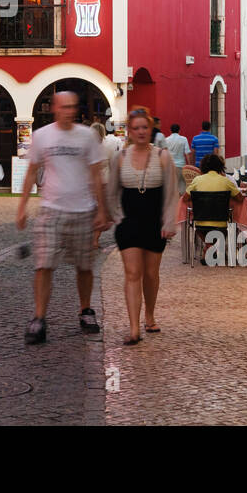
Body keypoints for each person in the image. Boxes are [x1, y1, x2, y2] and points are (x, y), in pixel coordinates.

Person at [17, 91, 109, 344]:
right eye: (64, 107)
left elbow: (96, 175)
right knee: (43, 265)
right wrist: (22, 206)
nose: (69, 111)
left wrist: (102, 209)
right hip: (51, 209)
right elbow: (31, 172)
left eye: (73, 107)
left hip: (83, 209)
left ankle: (85, 309)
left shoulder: (87, 136)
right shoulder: (42, 135)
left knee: (84, 266)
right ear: (54, 108)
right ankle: (38, 318)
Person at [107, 108, 181, 344]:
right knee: (132, 273)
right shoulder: (119, 158)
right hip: (129, 223)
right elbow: (111, 193)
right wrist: (118, 218)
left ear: (151, 130)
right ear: (129, 130)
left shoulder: (162, 156)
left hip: (154, 223)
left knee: (150, 273)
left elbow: (171, 193)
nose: (140, 132)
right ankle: (133, 328)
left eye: (144, 127)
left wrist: (169, 222)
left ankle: (149, 315)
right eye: (136, 128)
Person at [184, 153, 243, 264]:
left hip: (200, 223)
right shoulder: (226, 181)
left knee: (197, 227)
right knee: (225, 228)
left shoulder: (197, 180)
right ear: (220, 166)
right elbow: (240, 199)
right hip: (222, 224)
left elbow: (185, 198)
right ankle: (211, 247)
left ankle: (208, 247)